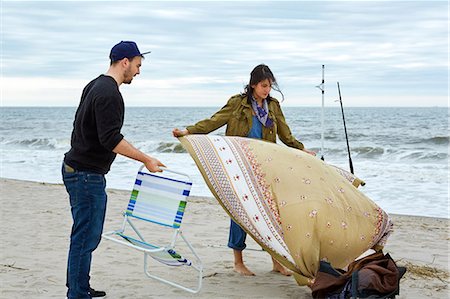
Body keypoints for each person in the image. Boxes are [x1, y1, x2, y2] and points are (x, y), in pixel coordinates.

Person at [173, 64, 315, 276]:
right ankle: (238, 262)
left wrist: (301, 149)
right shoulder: (237, 104)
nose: (267, 90)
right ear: (253, 85)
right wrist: (188, 131)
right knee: (241, 213)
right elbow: (214, 121)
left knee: (272, 213)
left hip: (266, 166)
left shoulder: (273, 106)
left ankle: (276, 261)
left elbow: (285, 134)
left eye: (270, 86)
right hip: (239, 166)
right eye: (264, 85)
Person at [62, 41, 165, 299]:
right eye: (138, 65)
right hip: (85, 175)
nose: (139, 72)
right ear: (125, 62)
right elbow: (111, 139)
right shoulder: (109, 93)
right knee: (85, 237)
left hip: (77, 168)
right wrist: (146, 159)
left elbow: (81, 128)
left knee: (85, 235)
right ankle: (77, 293)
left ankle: (80, 287)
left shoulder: (95, 84)